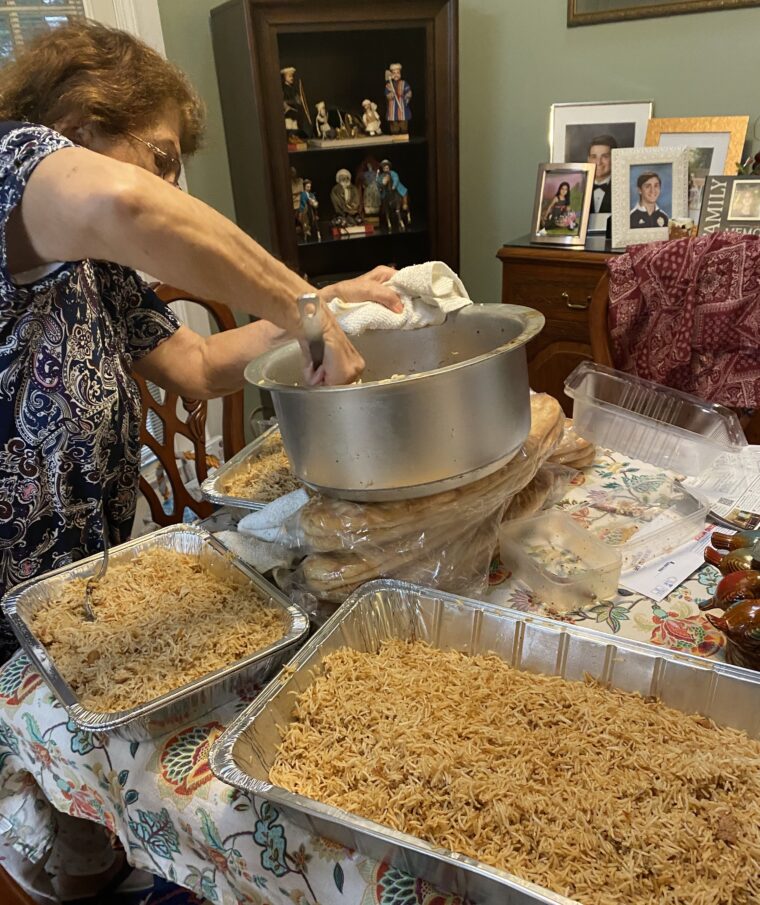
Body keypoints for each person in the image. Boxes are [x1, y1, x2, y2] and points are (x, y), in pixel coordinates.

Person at [0, 21, 402, 662]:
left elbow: (199, 364)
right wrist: (305, 311)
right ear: (78, 127)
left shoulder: (93, 267)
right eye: (161, 157)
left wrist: (330, 302)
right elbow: (128, 204)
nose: (168, 186)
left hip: (66, 599)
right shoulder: (10, 165)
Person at [586, 134, 617, 215]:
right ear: (588, 159)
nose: (598, 162)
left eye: (605, 156)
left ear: (614, 158)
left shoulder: (623, 189)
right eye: (594, 157)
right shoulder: (579, 189)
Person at [281, 65, 311, 138]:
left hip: (295, 112)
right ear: (284, 77)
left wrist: (299, 100)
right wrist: (292, 102)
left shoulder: (293, 89)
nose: (292, 78)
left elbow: (297, 99)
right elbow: (284, 101)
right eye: (289, 76)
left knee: (295, 127)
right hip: (288, 113)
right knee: (289, 127)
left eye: (292, 76)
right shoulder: (284, 89)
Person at [385, 63, 412, 135]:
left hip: (402, 107)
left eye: (398, 73)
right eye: (394, 73)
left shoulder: (404, 83)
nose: (396, 75)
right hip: (392, 108)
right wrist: (391, 94)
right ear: (391, 74)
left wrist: (407, 97)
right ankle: (395, 135)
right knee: (394, 126)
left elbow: (408, 92)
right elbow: (387, 95)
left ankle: (404, 134)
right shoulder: (388, 85)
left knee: (403, 125)